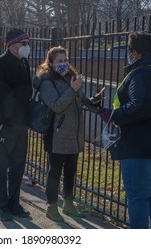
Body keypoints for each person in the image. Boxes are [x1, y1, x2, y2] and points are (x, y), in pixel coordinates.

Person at [98, 31, 151, 228]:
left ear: (135, 52)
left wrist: (114, 115)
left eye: (129, 49)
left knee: (138, 197)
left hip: (143, 145)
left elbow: (141, 107)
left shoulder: (142, 72)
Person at [33, 46, 104, 222]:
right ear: (50, 63)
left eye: (65, 60)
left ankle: (69, 204)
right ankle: (51, 207)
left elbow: (81, 101)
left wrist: (95, 101)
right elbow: (57, 105)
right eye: (59, 61)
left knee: (71, 172)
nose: (64, 64)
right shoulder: (47, 82)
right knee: (55, 172)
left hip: (74, 134)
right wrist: (72, 89)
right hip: (56, 134)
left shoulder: (70, 78)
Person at [0, 28, 33, 221]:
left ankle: (14, 204)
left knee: (18, 166)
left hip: (21, 124)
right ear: (12, 45)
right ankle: (1, 206)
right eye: (24, 43)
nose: (27, 47)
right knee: (2, 167)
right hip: (5, 124)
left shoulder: (24, 63)